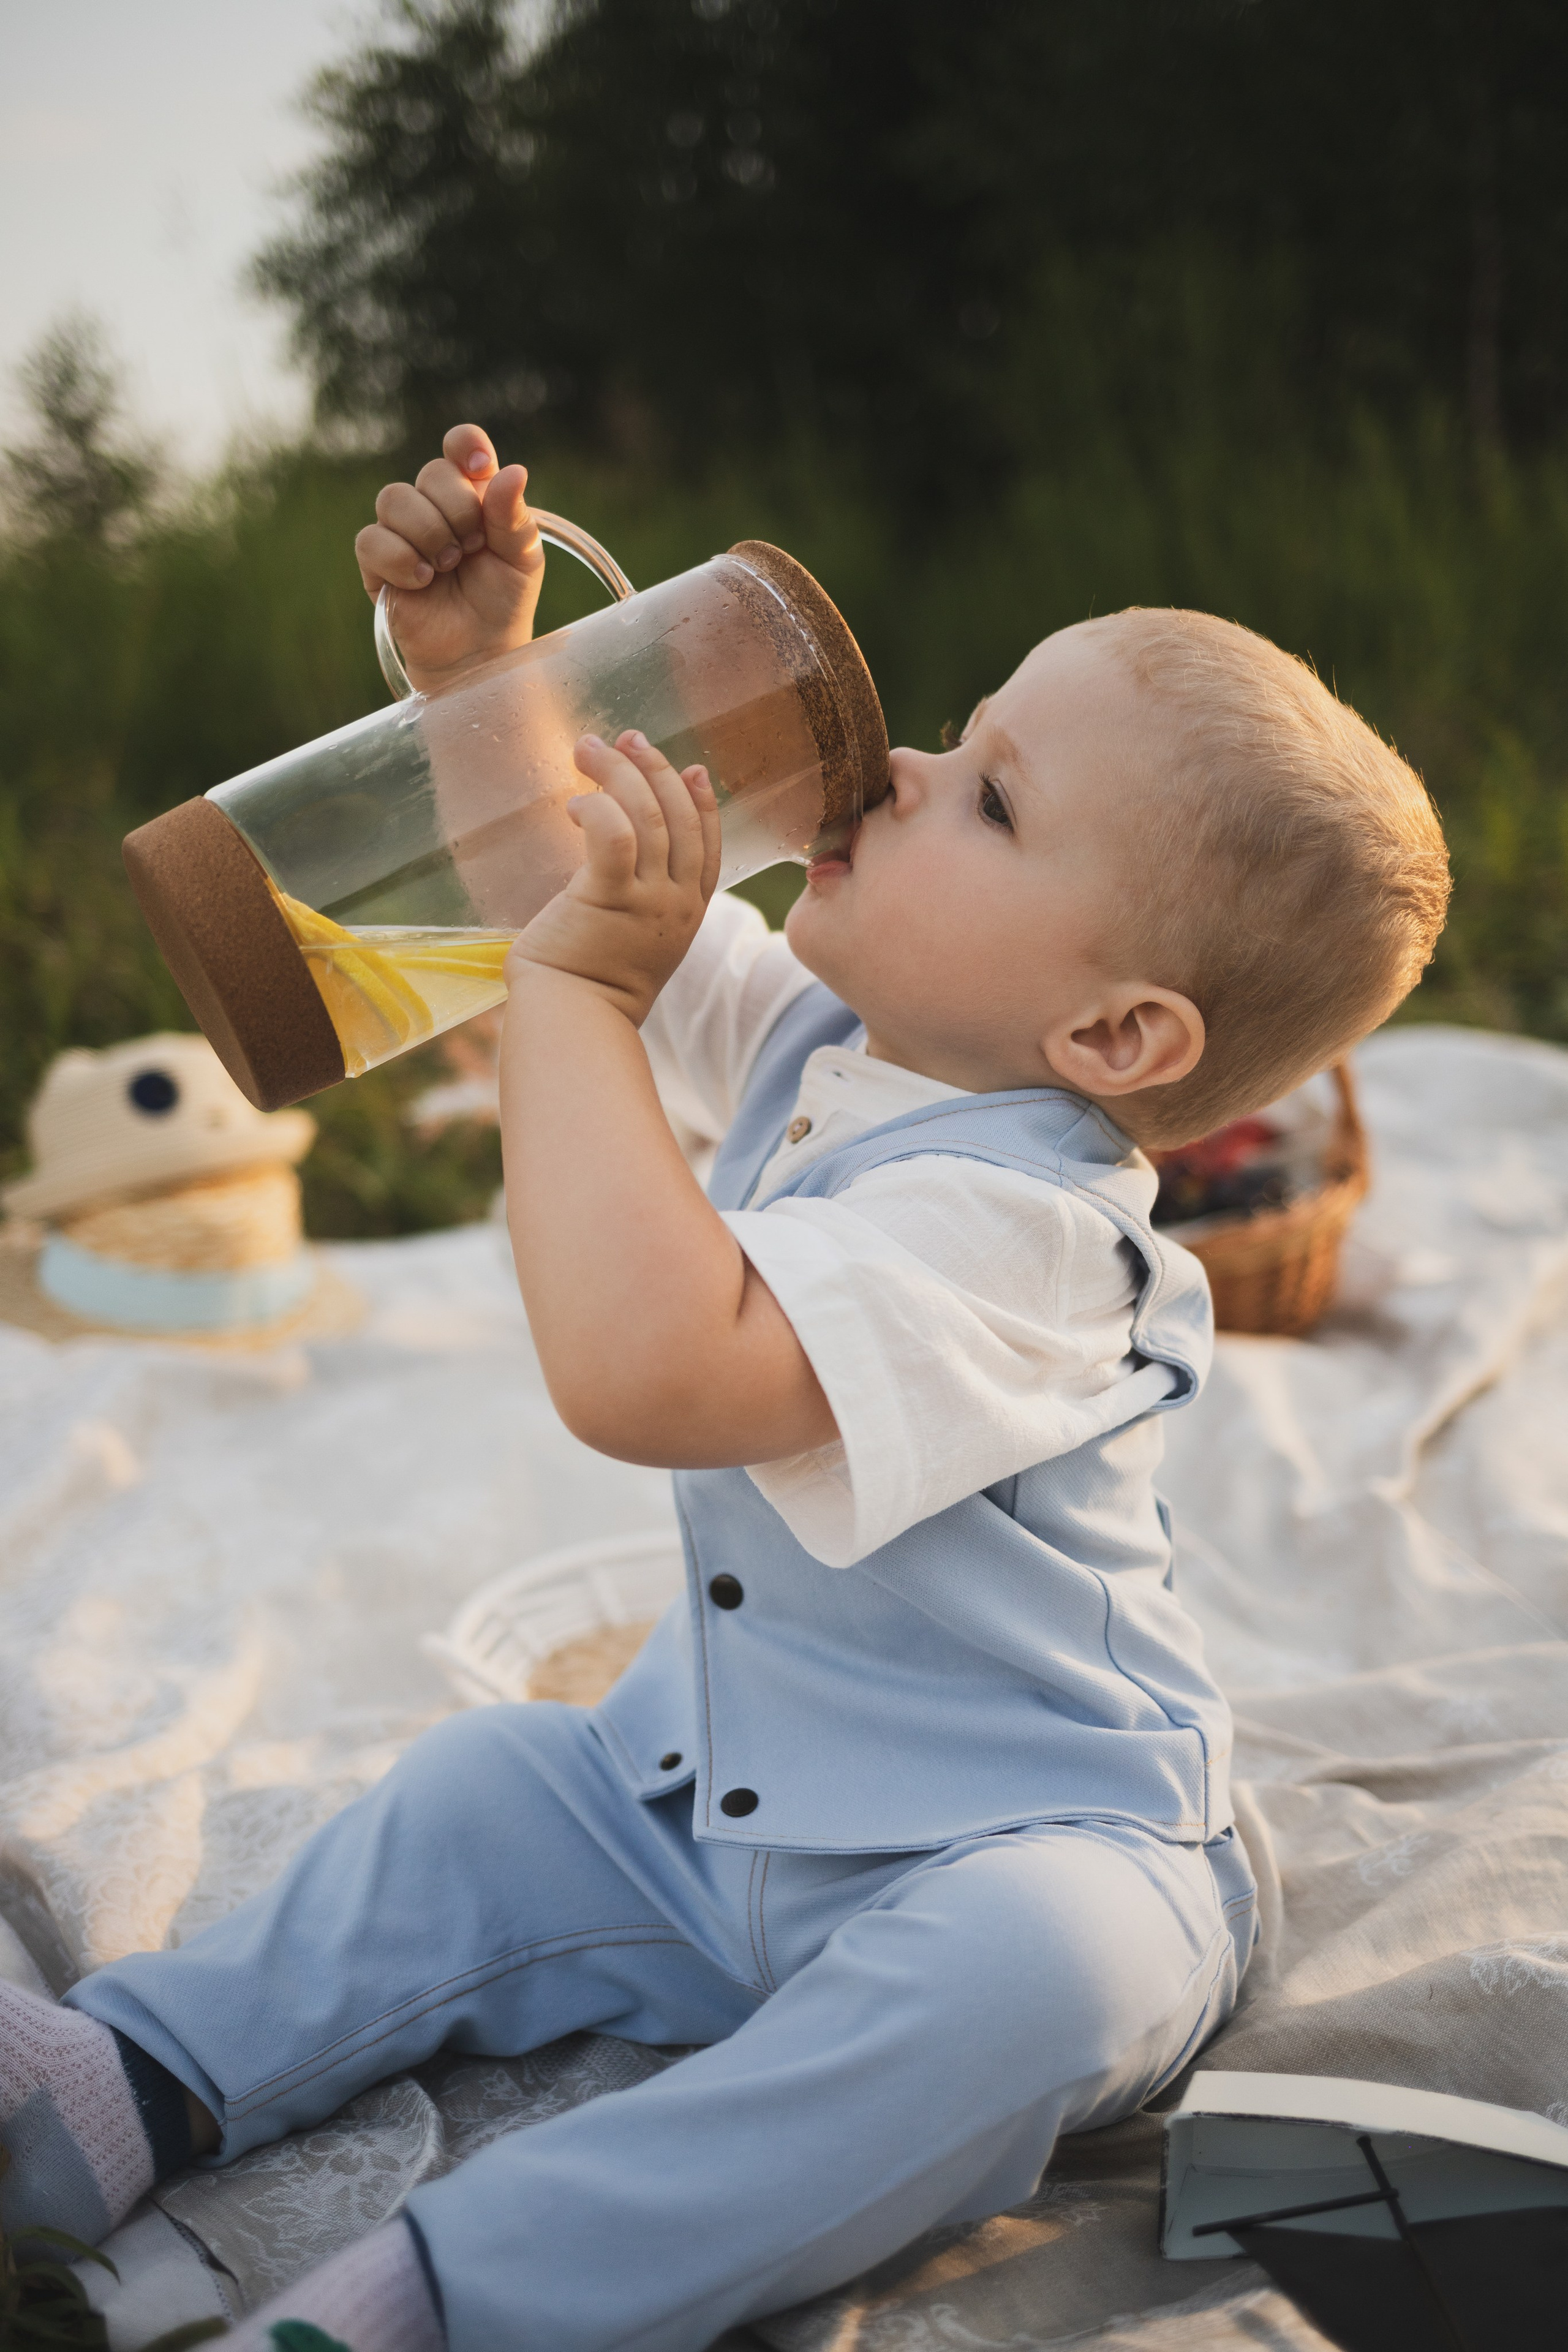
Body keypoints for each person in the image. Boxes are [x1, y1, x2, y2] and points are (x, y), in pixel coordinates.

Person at [0, 426, 1450, 2352]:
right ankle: (115, 2092)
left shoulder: (1036, 1240)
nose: (908, 763)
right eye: (962, 727)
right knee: (488, 1790)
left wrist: (581, 1007)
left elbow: (653, 1365)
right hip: (705, 1821)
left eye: (993, 797)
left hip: (1022, 1844)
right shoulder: (835, 1037)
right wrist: (479, 675)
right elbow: (547, 889)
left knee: (1031, 1980)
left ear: (1110, 1031)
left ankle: (449, 2292)